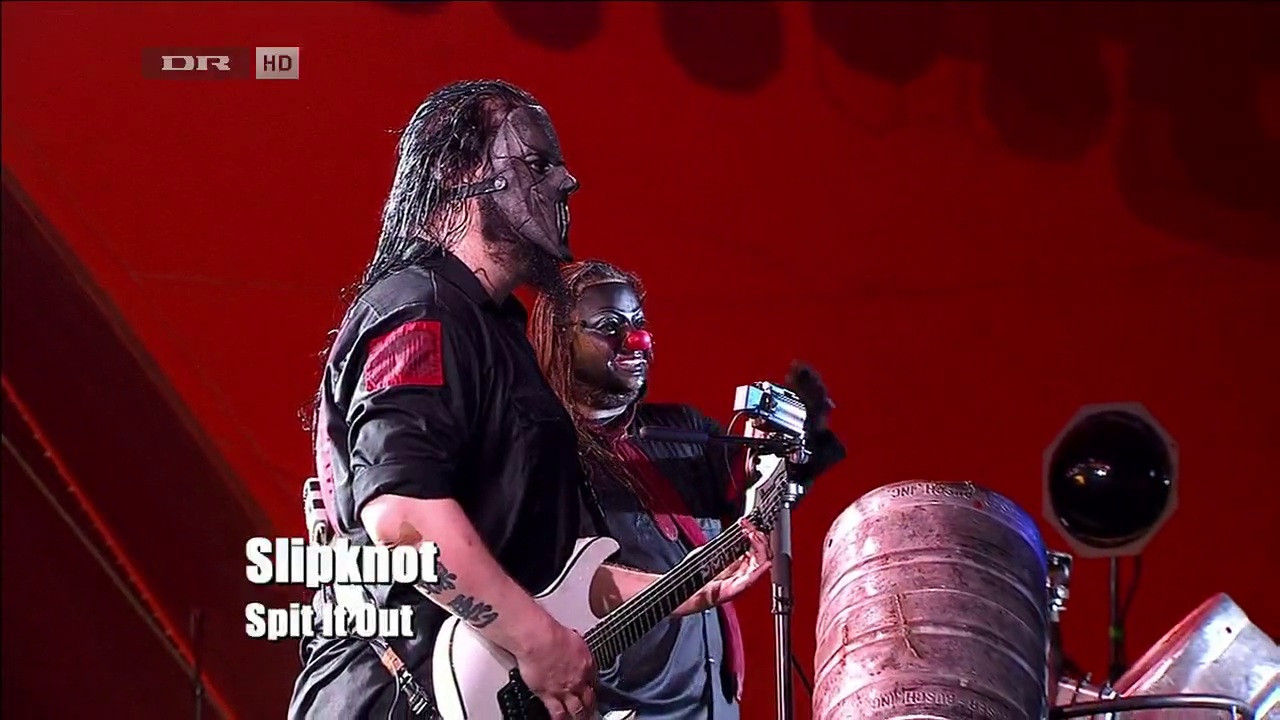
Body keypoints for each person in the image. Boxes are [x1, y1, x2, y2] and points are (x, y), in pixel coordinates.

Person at [287, 81, 770, 720]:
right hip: (396, 696)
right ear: (459, 174)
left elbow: (547, 569)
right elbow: (402, 518)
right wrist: (537, 640)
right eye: (537, 164)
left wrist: (682, 588)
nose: (566, 182)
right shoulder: (422, 310)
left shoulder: (500, 331)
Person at [528, 260, 846, 720]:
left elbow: (747, 497)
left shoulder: (681, 429)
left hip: (710, 698)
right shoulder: (538, 457)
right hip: (622, 704)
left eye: (638, 323)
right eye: (610, 326)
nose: (635, 340)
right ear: (560, 338)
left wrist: (794, 443)